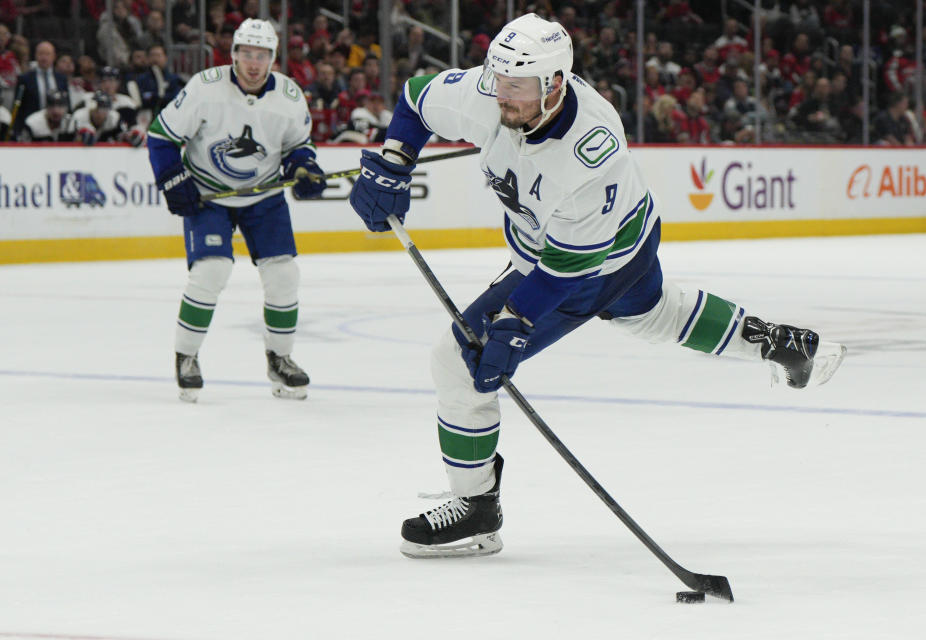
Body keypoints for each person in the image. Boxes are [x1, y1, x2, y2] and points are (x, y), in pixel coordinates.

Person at [347, 13, 847, 558]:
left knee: (458, 362)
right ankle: (778, 342)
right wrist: (396, 161)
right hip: (631, 244)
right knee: (658, 313)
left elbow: (564, 271)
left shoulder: (590, 154)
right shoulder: (491, 91)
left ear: (555, 84)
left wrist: (515, 323)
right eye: (498, 81)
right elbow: (418, 98)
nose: (499, 96)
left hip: (587, 264)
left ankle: (476, 509)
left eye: (515, 88)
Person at [146, 18, 326, 403]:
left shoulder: (290, 97)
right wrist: (173, 179)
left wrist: (303, 168)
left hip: (263, 197)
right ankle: (187, 356)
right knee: (211, 271)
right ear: (233, 55)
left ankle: (280, 358)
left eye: (261, 55)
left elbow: (299, 146)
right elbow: (161, 136)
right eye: (246, 53)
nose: (253, 63)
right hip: (208, 195)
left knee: (283, 275)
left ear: (273, 58)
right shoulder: (204, 88)